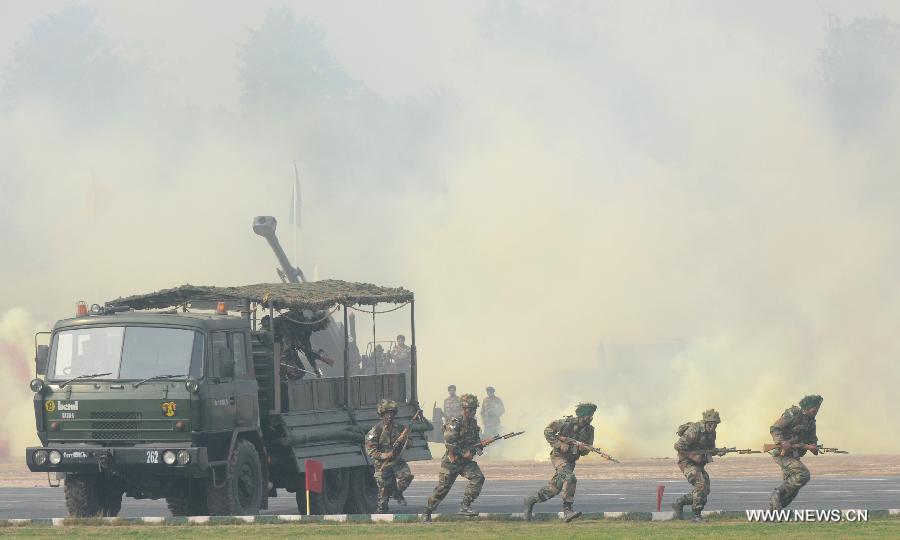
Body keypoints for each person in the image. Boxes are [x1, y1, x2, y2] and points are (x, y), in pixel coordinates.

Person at [523, 403, 596, 523]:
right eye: (589, 415)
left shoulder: (589, 430)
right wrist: (559, 444)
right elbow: (548, 431)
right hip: (559, 457)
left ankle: (530, 500)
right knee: (570, 478)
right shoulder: (565, 423)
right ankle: (567, 510)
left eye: (592, 415)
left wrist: (584, 449)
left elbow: (586, 449)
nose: (591, 418)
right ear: (582, 415)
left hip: (571, 460)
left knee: (554, 489)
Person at [422, 394, 485, 523]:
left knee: (478, 477)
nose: (472, 412)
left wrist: (479, 446)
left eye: (474, 409)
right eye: (469, 409)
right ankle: (427, 512)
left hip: (465, 462)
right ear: (463, 408)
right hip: (452, 461)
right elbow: (450, 443)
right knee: (441, 489)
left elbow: (475, 440)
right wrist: (463, 454)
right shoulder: (454, 422)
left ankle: (465, 506)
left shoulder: (473, 423)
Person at [769, 395, 823, 510]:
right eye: (815, 409)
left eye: (818, 409)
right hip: (782, 454)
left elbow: (813, 440)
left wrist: (813, 447)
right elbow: (775, 428)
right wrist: (782, 442)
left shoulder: (811, 422)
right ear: (808, 407)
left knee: (792, 490)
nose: (816, 412)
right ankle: (777, 492)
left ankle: (772, 514)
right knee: (803, 474)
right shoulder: (793, 414)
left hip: (795, 456)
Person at [671, 409, 724, 522]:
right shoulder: (694, 430)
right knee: (701, 484)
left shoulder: (712, 433)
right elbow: (678, 446)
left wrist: (717, 452)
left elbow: (709, 450)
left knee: (705, 489)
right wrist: (692, 455)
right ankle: (696, 515)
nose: (712, 426)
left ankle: (679, 502)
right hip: (687, 462)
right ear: (705, 422)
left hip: (698, 464)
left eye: (714, 424)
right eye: (710, 423)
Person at [365, 399, 415, 513]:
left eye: (391, 413)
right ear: (382, 415)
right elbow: (370, 450)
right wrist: (385, 455)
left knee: (406, 477)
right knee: (383, 495)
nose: (389, 416)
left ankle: (397, 493)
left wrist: (404, 440)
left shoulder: (400, 428)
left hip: (397, 462)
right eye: (386, 413)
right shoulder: (376, 430)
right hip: (382, 464)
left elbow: (410, 444)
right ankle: (381, 515)